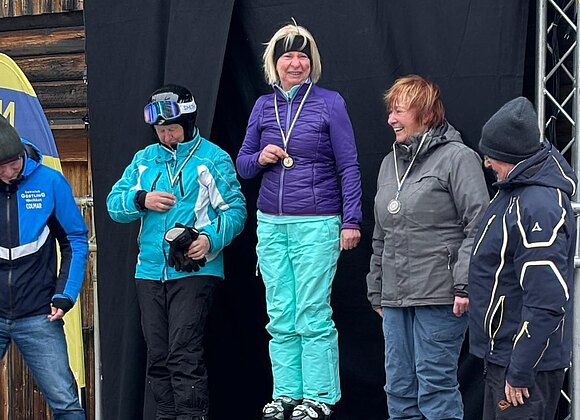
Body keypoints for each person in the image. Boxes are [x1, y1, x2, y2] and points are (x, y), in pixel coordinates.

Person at [236, 22, 362, 420]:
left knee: (311, 311)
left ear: (312, 62)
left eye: (302, 56)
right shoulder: (262, 106)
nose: (295, 63)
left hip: (317, 221)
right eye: (287, 56)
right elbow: (242, 165)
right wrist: (261, 157)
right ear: (274, 62)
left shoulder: (330, 103)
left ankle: (319, 396)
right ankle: (286, 394)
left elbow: (349, 166)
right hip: (272, 223)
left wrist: (351, 220)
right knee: (280, 313)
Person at [107, 84, 246, 420]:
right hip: (149, 271)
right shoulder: (144, 160)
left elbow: (236, 210)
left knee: (183, 353)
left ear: (188, 122)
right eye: (160, 130)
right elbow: (113, 205)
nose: (166, 136)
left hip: (195, 269)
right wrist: (142, 199)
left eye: (172, 129)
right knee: (158, 355)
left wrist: (209, 240)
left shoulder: (212, 158)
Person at [366, 75, 490, 419]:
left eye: (399, 111)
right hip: (395, 297)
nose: (390, 119)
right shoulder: (389, 163)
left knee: (435, 386)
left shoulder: (458, 158)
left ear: (424, 113)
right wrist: (377, 289)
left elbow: (479, 224)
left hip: (440, 295)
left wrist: (464, 285)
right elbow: (381, 232)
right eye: (390, 111)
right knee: (399, 388)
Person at [469, 96, 576, 419]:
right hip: (505, 355)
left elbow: (546, 299)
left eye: (492, 156)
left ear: (512, 156)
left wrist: (520, 369)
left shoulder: (539, 204)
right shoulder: (515, 190)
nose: (487, 164)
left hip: (524, 367)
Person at [0, 115, 88, 419]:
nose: (8, 172)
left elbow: (75, 239)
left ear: (21, 154)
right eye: (0, 167)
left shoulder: (50, 182)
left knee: (65, 403)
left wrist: (66, 294)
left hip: (39, 314)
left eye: (13, 163)